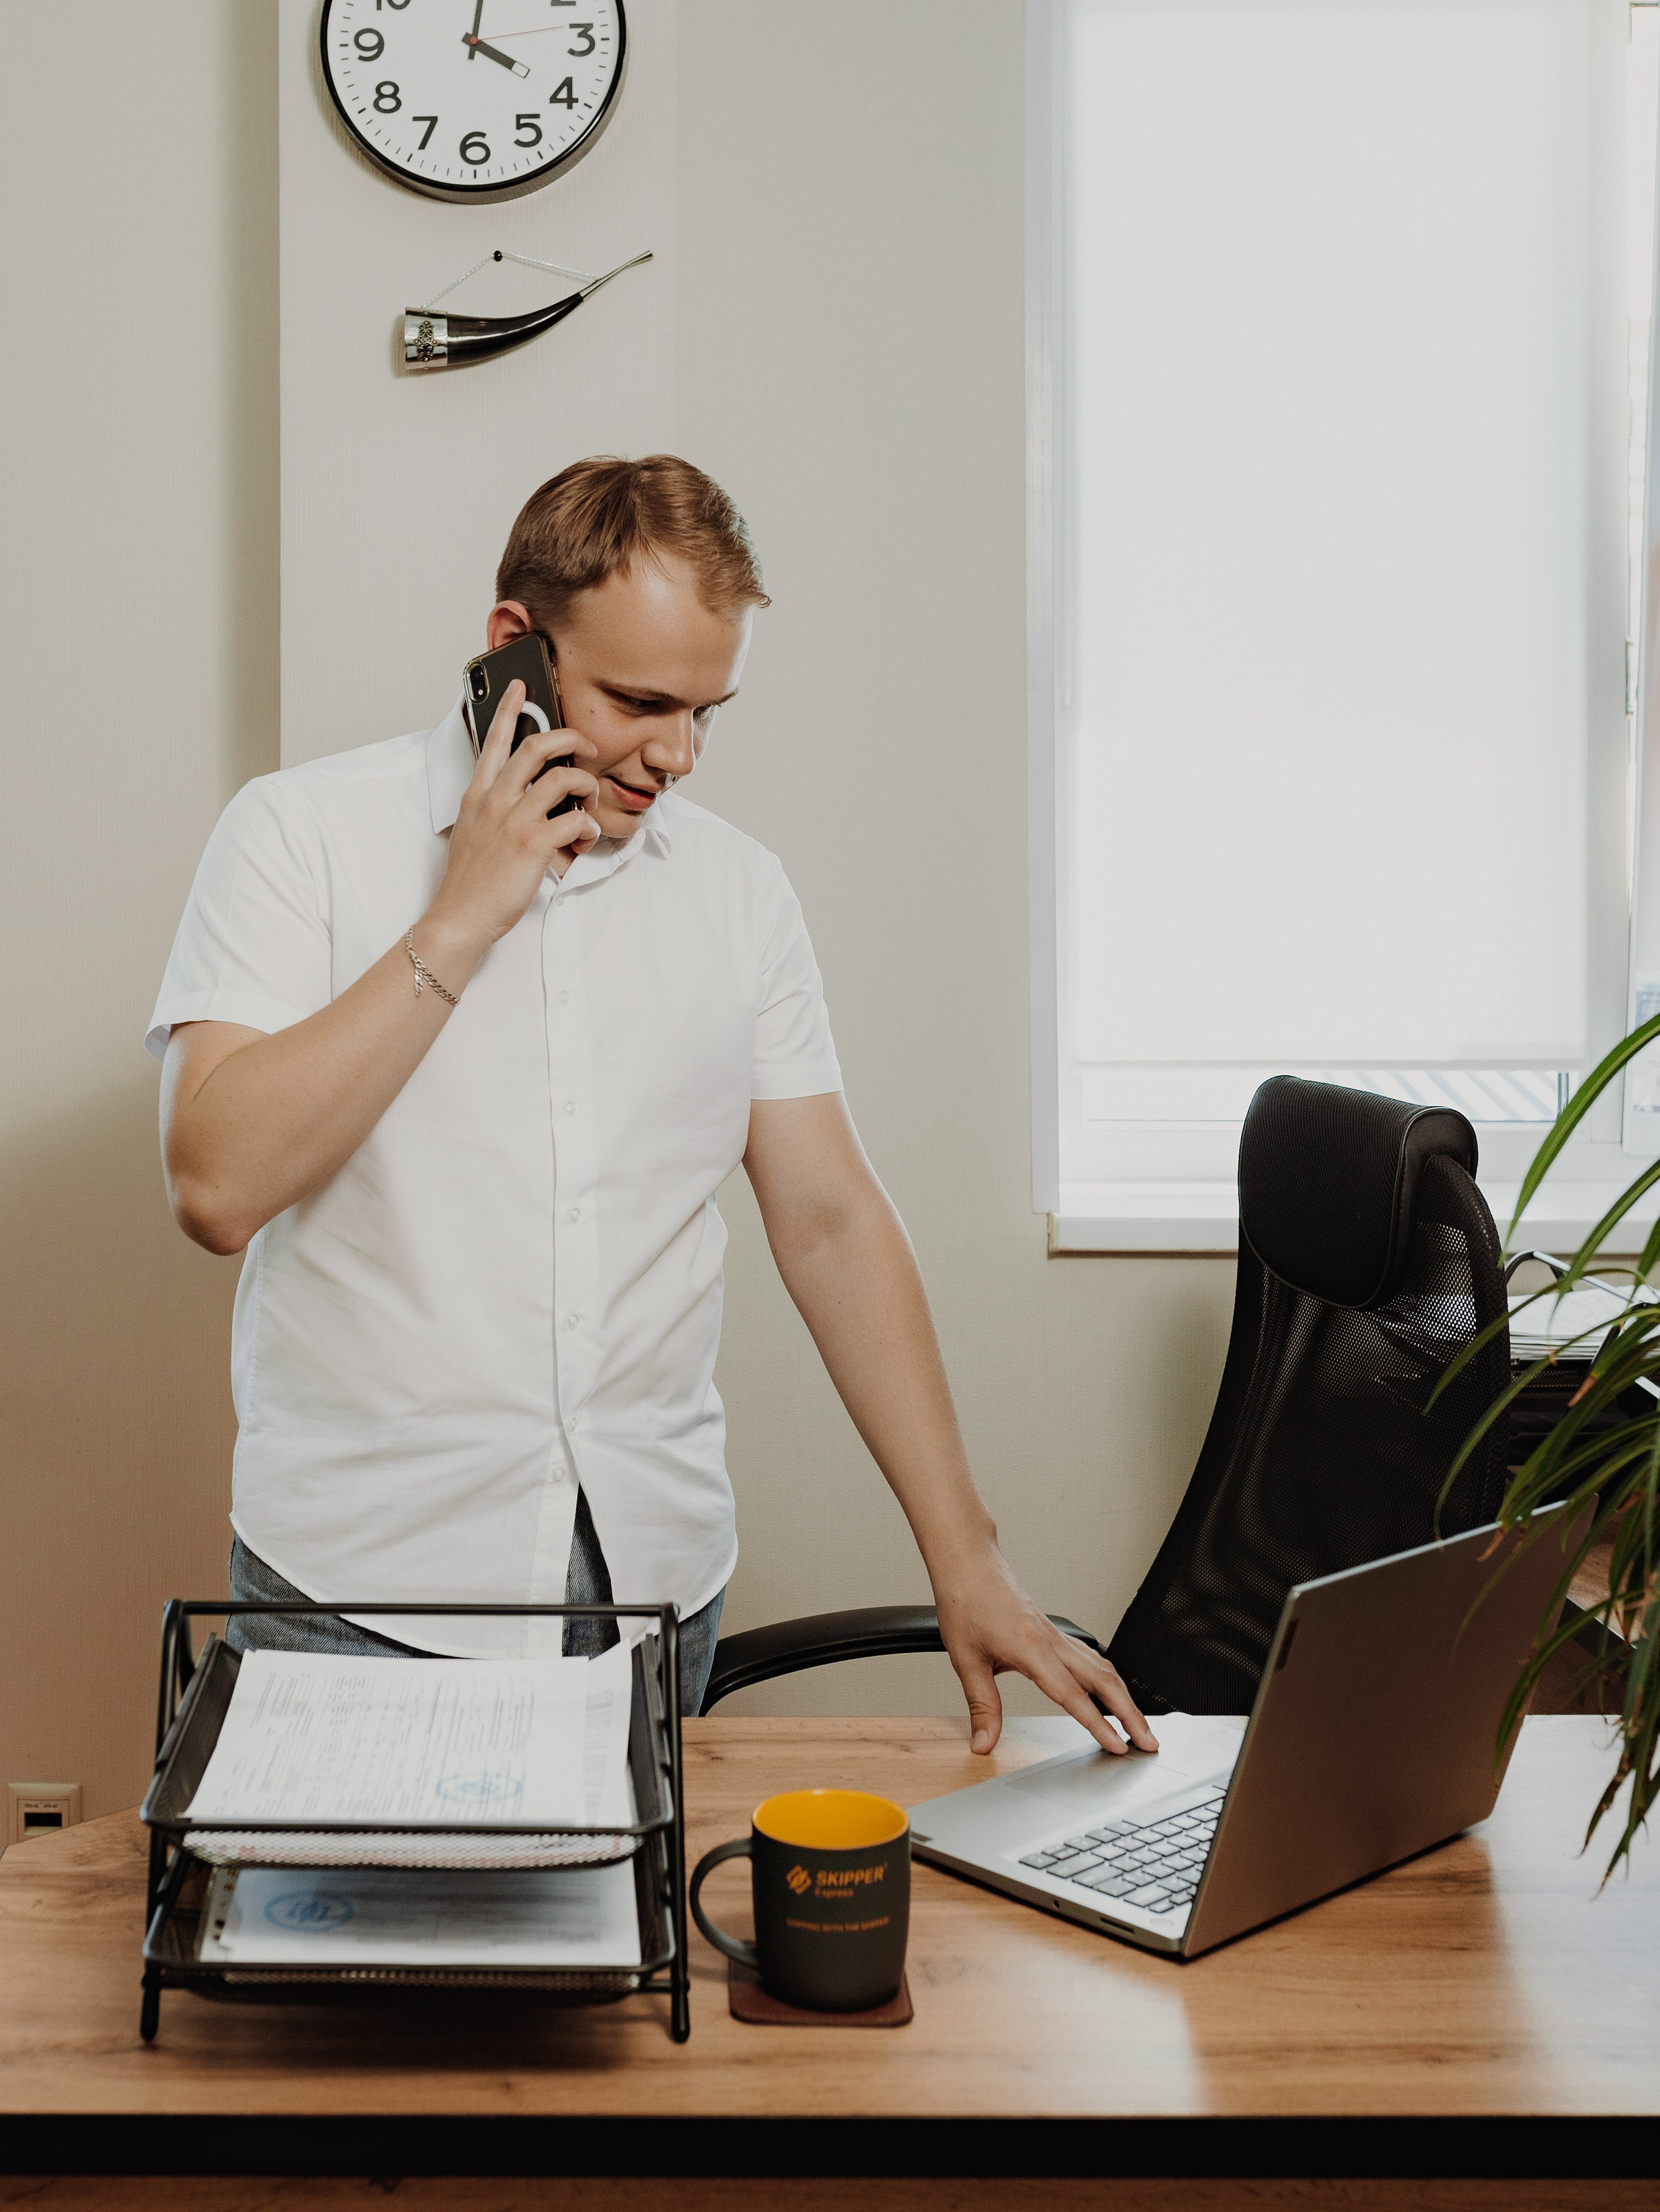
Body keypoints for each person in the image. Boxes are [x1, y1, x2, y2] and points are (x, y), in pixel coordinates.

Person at [150, 455, 1154, 1755]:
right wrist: (466, 912)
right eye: (639, 701)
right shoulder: (293, 837)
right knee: (330, 1965)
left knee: (626, 1965)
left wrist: (970, 1562)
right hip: (364, 1593)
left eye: (706, 712)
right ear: (515, 647)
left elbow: (831, 1223)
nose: (675, 755)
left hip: (649, 1598)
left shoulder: (738, 895)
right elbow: (215, 1184)